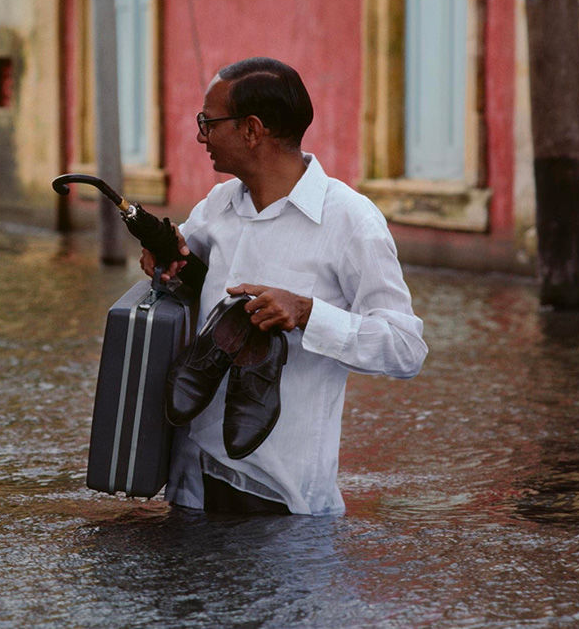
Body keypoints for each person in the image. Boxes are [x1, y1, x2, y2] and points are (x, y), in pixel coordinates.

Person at [141, 57, 428, 515]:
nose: (200, 136)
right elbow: (181, 266)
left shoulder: (351, 221)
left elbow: (406, 350)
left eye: (208, 123)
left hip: (282, 501)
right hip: (191, 486)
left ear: (252, 130)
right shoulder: (218, 205)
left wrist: (309, 312)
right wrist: (163, 258)